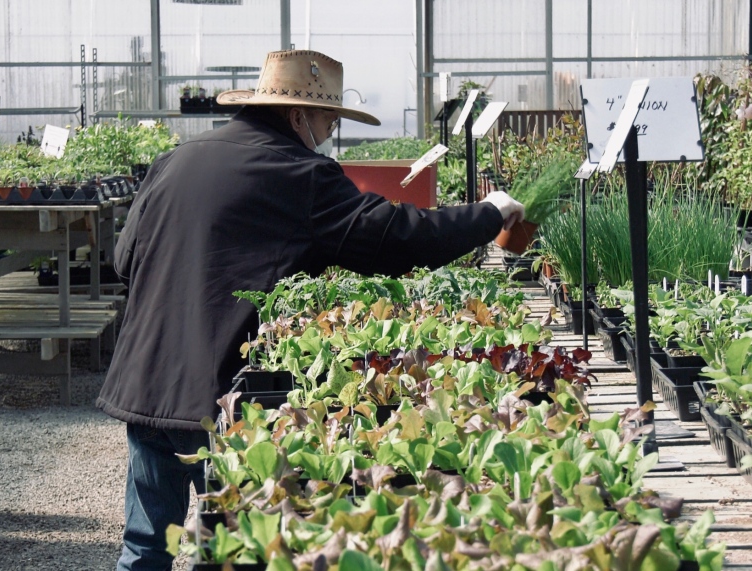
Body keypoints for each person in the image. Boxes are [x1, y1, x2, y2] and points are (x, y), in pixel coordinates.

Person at [97, 49, 524, 571]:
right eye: (327, 119)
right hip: (224, 395)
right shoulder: (300, 174)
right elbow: (397, 238)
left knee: (144, 548)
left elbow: (123, 262)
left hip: (147, 384)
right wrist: (488, 214)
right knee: (232, 551)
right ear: (297, 114)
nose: (328, 133)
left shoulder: (176, 160)